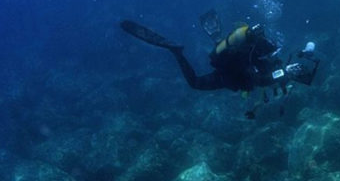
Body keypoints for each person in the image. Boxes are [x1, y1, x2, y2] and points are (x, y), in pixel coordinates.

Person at [120, 10, 319, 115]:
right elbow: (261, 80)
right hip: (227, 76)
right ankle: (177, 53)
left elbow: (264, 72)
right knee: (195, 83)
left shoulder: (256, 51)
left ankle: (207, 40)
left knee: (212, 63)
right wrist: (285, 72)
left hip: (231, 63)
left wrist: (288, 68)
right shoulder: (256, 63)